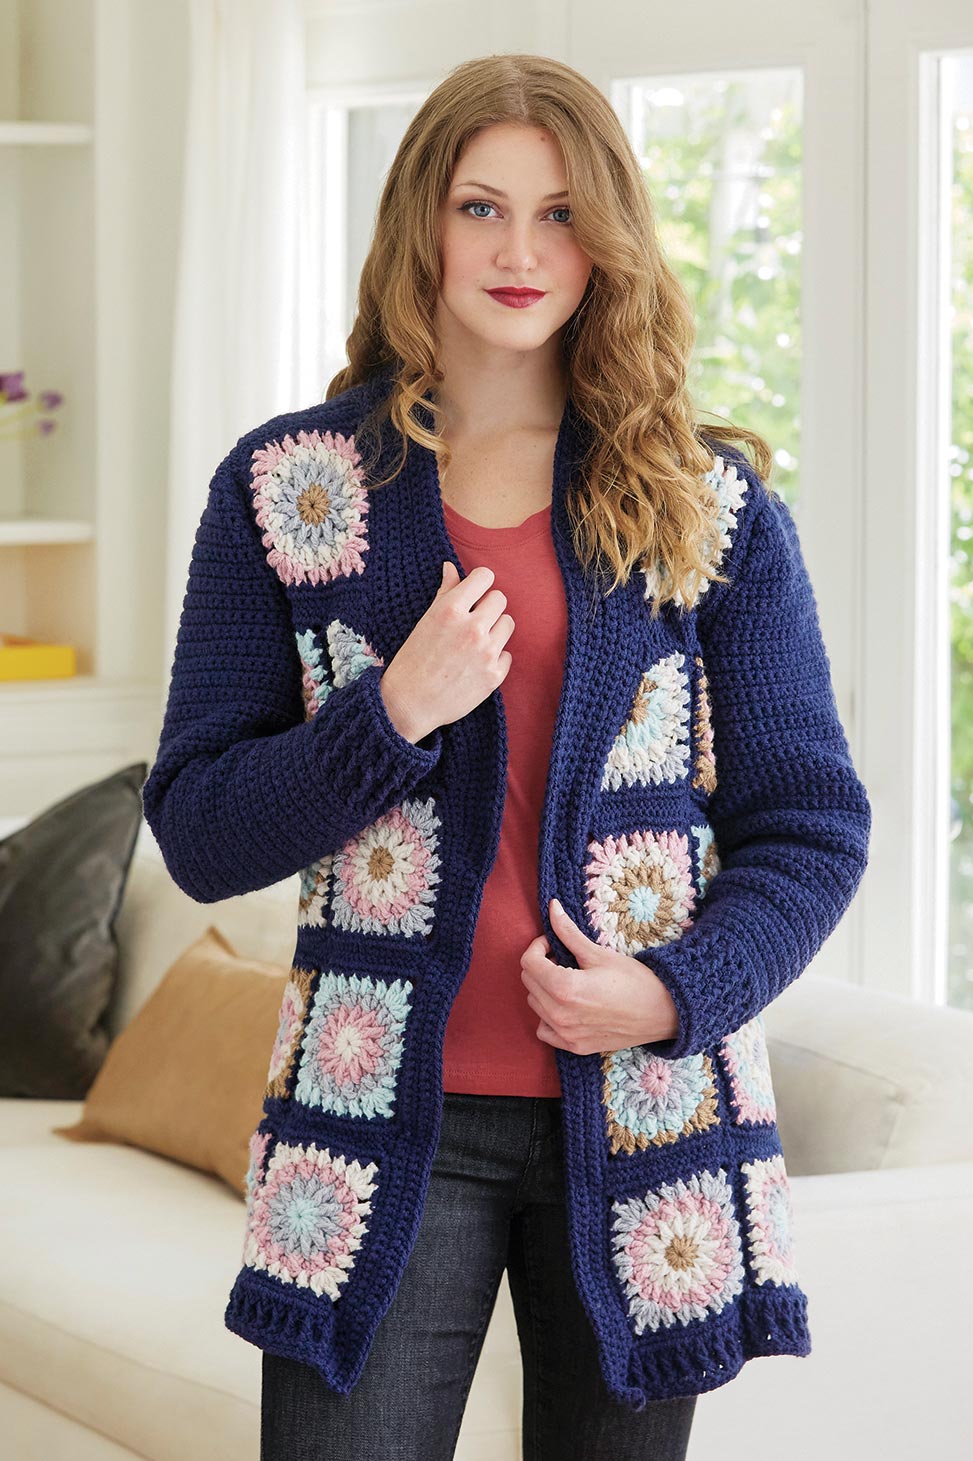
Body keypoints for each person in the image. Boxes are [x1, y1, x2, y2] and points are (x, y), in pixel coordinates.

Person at [143, 52, 871, 1461]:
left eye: (561, 214)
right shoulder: (289, 493)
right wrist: (391, 715)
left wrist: (670, 993)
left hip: (648, 1120)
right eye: (481, 207)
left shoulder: (702, 504)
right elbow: (200, 829)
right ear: (422, 221)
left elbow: (810, 826)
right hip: (377, 1125)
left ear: (609, 241)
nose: (521, 253)